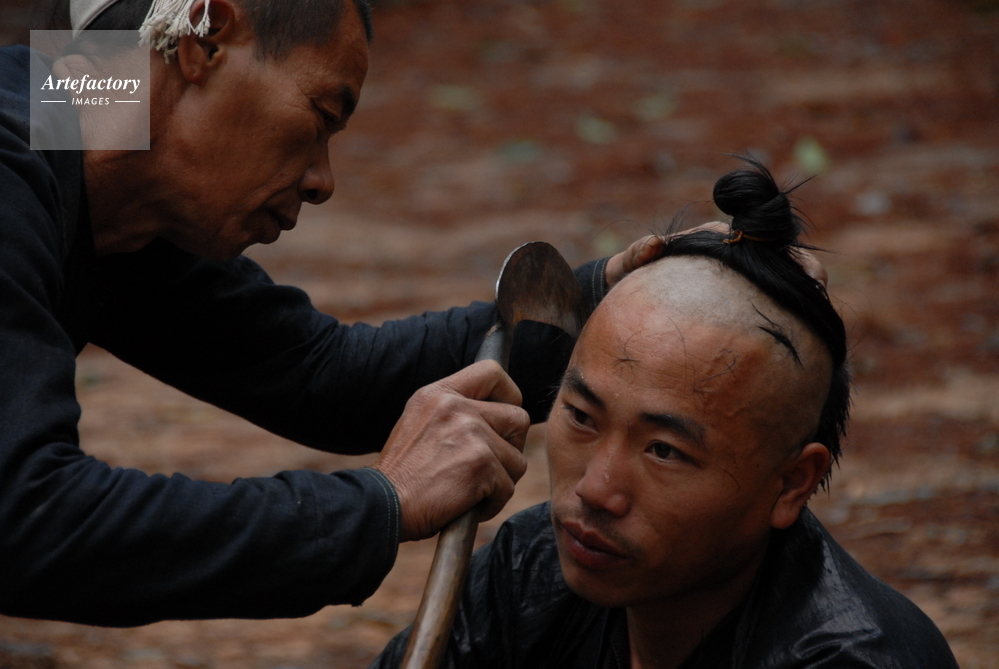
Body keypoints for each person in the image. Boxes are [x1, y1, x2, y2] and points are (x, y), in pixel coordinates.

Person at [0, 0, 667, 626]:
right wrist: (382, 502)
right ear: (205, 41)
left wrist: (612, 291)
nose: (323, 181)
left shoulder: (91, 161)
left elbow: (321, 374)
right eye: (322, 115)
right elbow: (26, 517)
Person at [371, 161, 959, 669]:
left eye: (664, 450)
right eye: (581, 417)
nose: (595, 490)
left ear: (791, 483)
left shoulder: (848, 657)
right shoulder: (529, 572)